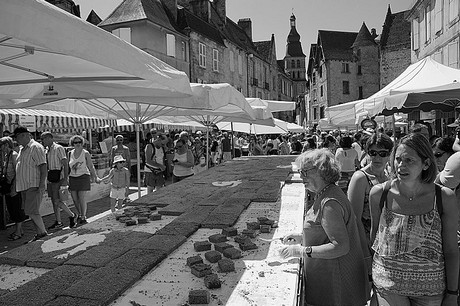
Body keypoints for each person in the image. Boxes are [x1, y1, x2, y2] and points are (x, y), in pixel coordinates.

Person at [369, 133, 458, 305]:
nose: (401, 166)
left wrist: (453, 293)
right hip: (388, 287)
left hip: (431, 290)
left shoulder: (443, 197)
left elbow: (451, 250)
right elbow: (375, 242)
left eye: (409, 160)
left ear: (426, 164)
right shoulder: (379, 194)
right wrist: (371, 281)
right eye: (398, 159)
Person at [280, 148, 370, 306]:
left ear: (321, 171)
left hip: (335, 284)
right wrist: (303, 237)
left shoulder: (329, 202)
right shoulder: (326, 193)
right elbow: (326, 231)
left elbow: (340, 247)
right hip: (332, 279)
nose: (301, 176)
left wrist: (301, 251)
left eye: (305, 172)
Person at [13, 126, 48, 242]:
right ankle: (39, 234)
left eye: (16, 137)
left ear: (23, 135)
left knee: (32, 211)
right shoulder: (23, 149)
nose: (15, 140)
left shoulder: (35, 147)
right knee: (31, 212)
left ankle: (43, 233)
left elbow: (43, 166)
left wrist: (42, 184)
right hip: (25, 186)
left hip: (33, 184)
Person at [40, 132, 76, 229]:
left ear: (49, 138)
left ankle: (71, 215)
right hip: (51, 177)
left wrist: (64, 179)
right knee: (54, 200)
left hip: (58, 177)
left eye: (43, 138)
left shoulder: (58, 148)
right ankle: (58, 221)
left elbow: (65, 163)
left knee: (56, 200)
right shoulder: (47, 150)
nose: (42, 141)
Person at [68, 135, 101, 225]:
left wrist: (95, 176)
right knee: (75, 199)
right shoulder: (70, 153)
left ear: (82, 143)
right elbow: (67, 167)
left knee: (81, 197)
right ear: (72, 144)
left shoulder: (85, 153)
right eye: (75, 142)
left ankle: (83, 216)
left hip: (83, 176)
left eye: (79, 142)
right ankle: (79, 214)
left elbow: (91, 166)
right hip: (72, 177)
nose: (78, 144)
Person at [0, 136, 26, 241]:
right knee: (12, 209)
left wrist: (15, 188)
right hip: (8, 186)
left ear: (6, 145)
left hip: (14, 187)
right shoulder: (6, 156)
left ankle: (18, 232)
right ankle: (19, 230)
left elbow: (18, 172)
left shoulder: (14, 155)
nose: (0, 148)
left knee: (16, 209)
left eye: (1, 145)